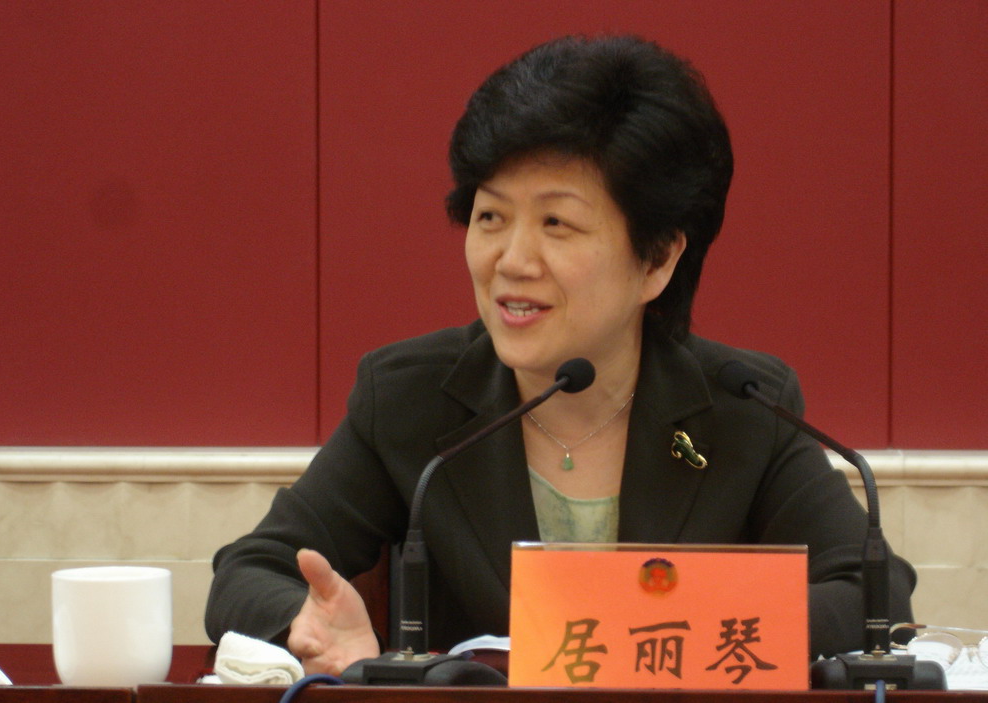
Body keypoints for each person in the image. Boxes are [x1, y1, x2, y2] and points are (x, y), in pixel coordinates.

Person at [205, 34, 916, 675]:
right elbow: (250, 569)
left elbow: (875, 591)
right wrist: (306, 622)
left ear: (657, 259)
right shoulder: (410, 398)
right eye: (490, 216)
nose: (512, 260)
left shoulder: (742, 406)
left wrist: (670, 628)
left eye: (556, 223)